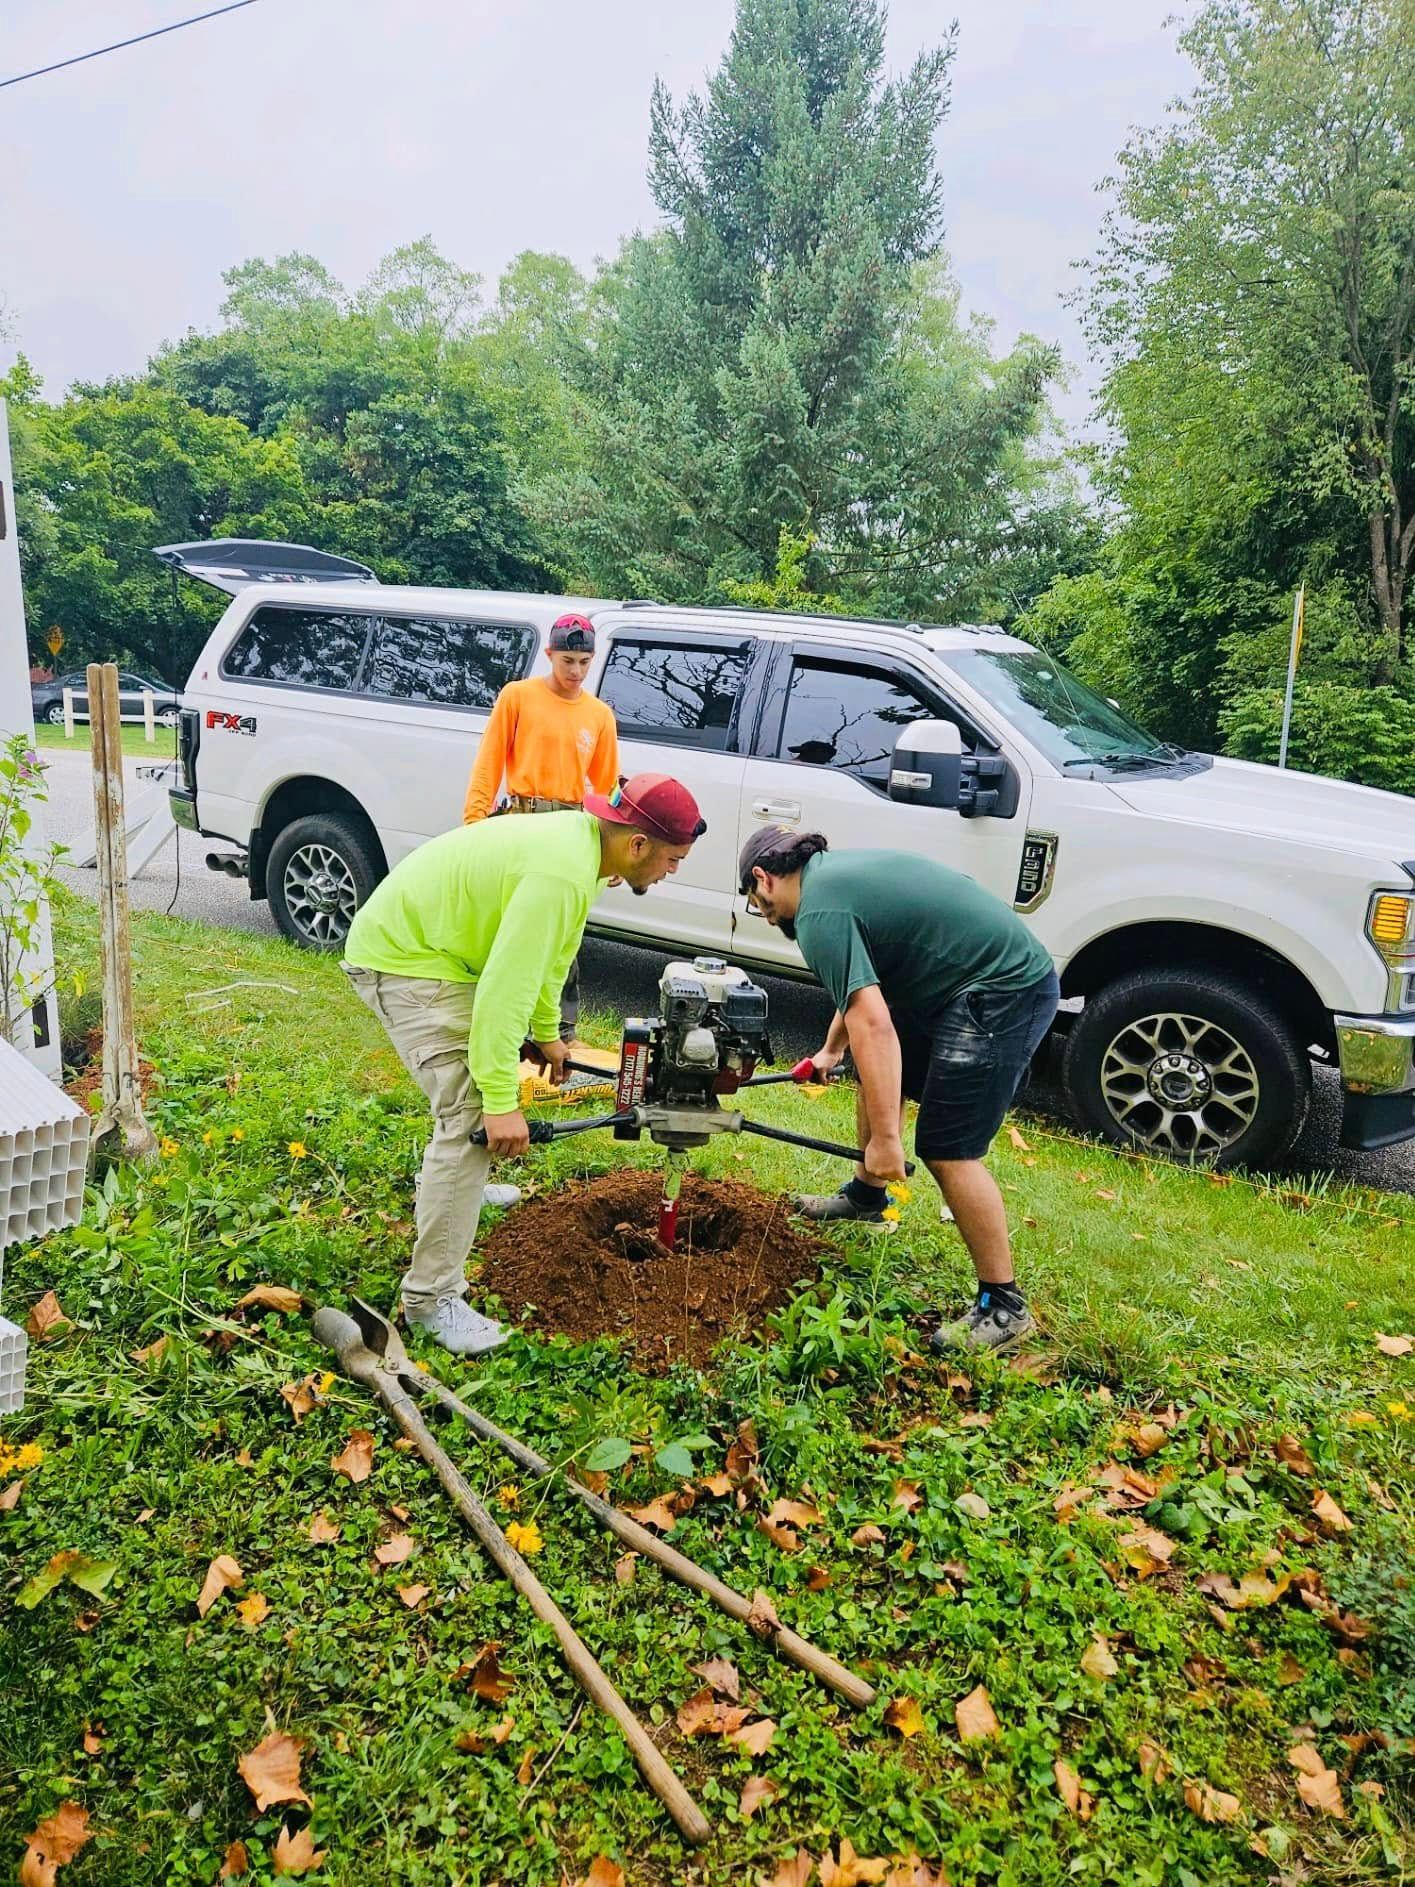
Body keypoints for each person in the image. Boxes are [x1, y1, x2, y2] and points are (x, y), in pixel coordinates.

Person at [344, 774, 706, 1355]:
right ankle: (431, 1299)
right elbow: (503, 991)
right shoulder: (559, 873)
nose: (672, 871)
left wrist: (547, 1036)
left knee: (476, 1116)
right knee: (470, 1123)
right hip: (406, 960)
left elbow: (551, 956)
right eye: (671, 859)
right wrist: (500, 1103)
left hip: (436, 952)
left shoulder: (582, 851)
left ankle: (462, 1191)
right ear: (636, 843)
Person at [737, 828, 1059, 1354]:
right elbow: (861, 988)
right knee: (872, 1067)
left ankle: (1005, 1304)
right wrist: (830, 1051)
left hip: (1002, 990)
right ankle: (866, 1197)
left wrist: (887, 1138)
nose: (767, 916)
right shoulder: (832, 882)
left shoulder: (819, 915)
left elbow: (874, 1024)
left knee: (948, 1147)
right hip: (968, 978)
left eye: (759, 906)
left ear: (762, 879)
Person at [463, 611, 619, 1048]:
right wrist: (476, 822)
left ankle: (560, 1033)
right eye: (567, 660)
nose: (575, 671)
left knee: (563, 933)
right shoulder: (518, 697)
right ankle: (491, 1025)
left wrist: (617, 847)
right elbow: (489, 762)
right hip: (522, 819)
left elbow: (608, 786)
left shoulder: (600, 715)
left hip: (571, 826)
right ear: (549, 655)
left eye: (584, 662)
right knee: (506, 927)